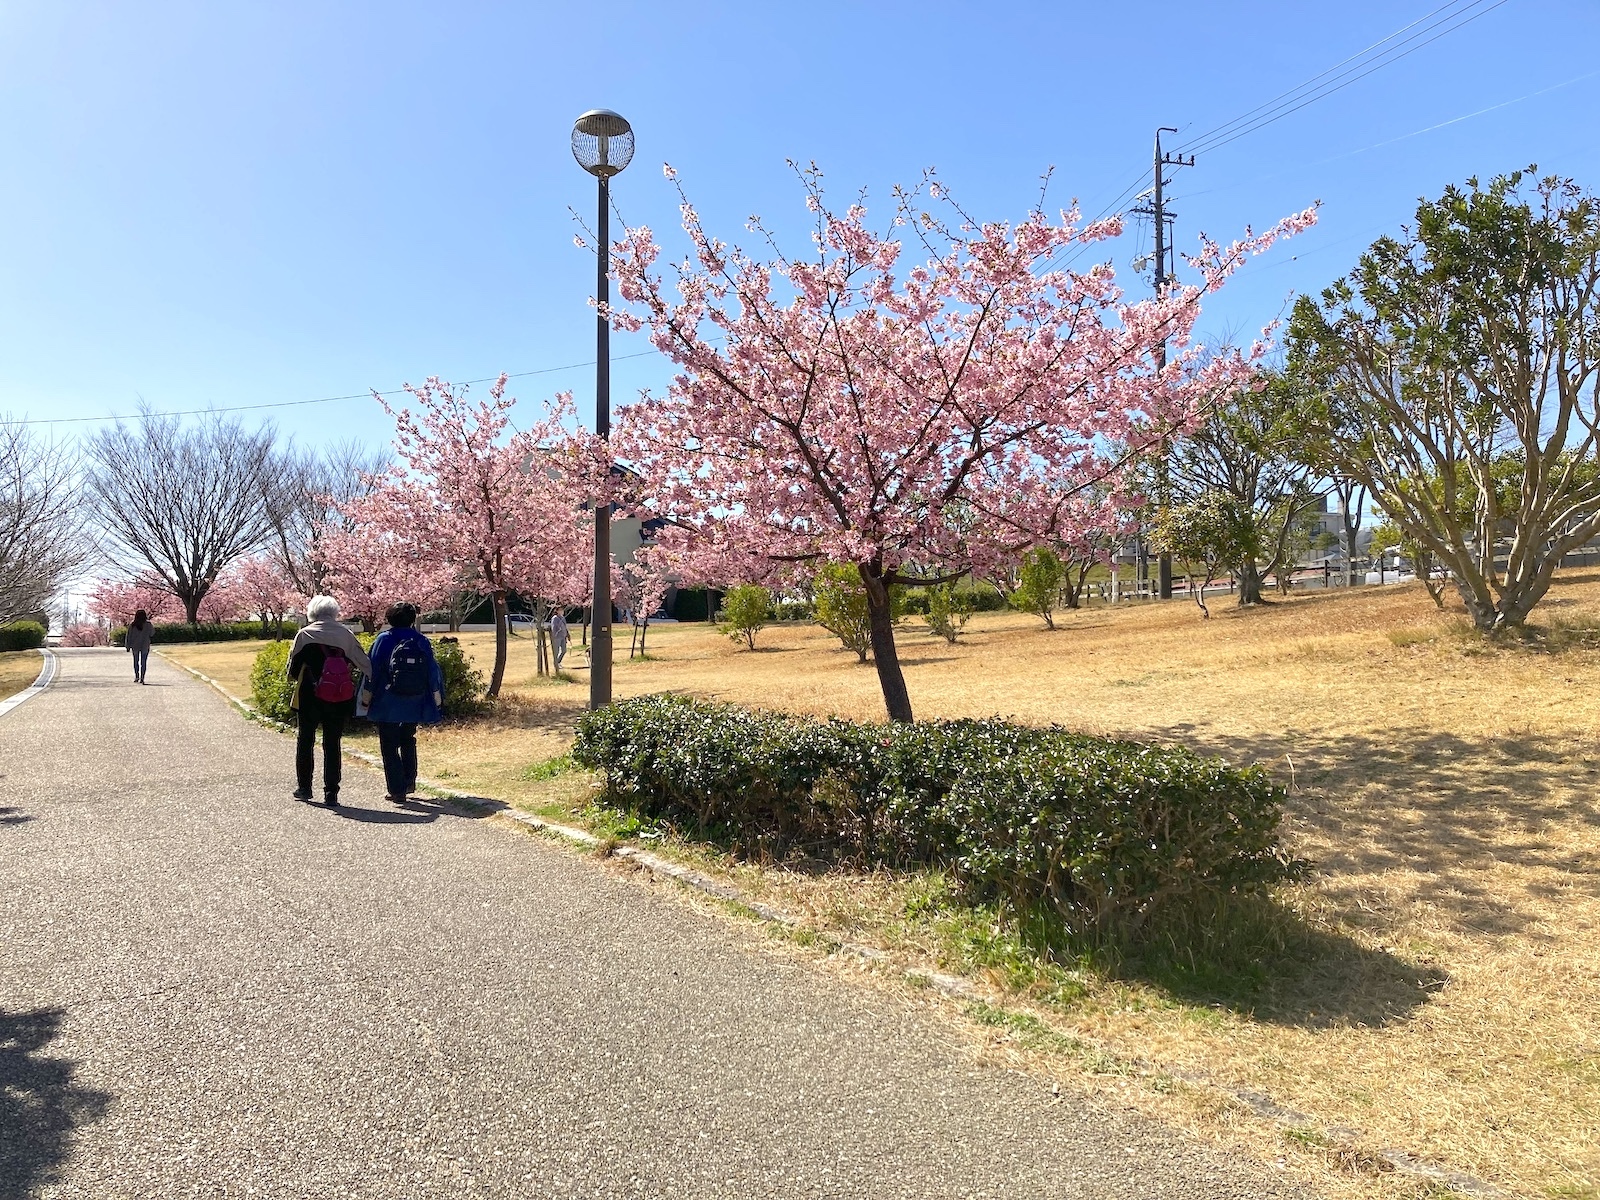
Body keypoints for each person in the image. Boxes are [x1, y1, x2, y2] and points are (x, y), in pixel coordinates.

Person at [287, 595, 373, 807]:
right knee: (332, 743)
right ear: (335, 612)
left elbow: (292, 670)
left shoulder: (304, 634)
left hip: (309, 695)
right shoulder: (346, 634)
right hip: (338, 695)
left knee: (305, 740)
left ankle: (305, 788)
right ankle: (331, 792)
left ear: (311, 612)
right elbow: (364, 663)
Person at [365, 601, 444, 804]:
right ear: (412, 619)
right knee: (408, 738)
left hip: (387, 700)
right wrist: (437, 696)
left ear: (390, 618)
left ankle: (397, 790)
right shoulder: (421, 640)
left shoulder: (383, 640)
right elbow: (432, 671)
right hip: (414, 699)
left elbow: (371, 670)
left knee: (389, 744)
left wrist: (366, 696)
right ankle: (409, 781)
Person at [125, 609, 154, 684]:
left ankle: (137, 676)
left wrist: (127, 646)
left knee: (136, 661)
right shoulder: (148, 624)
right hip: (145, 645)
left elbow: (129, 636)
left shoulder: (133, 624)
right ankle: (142, 677)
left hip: (135, 645)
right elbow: (152, 633)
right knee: (143, 662)